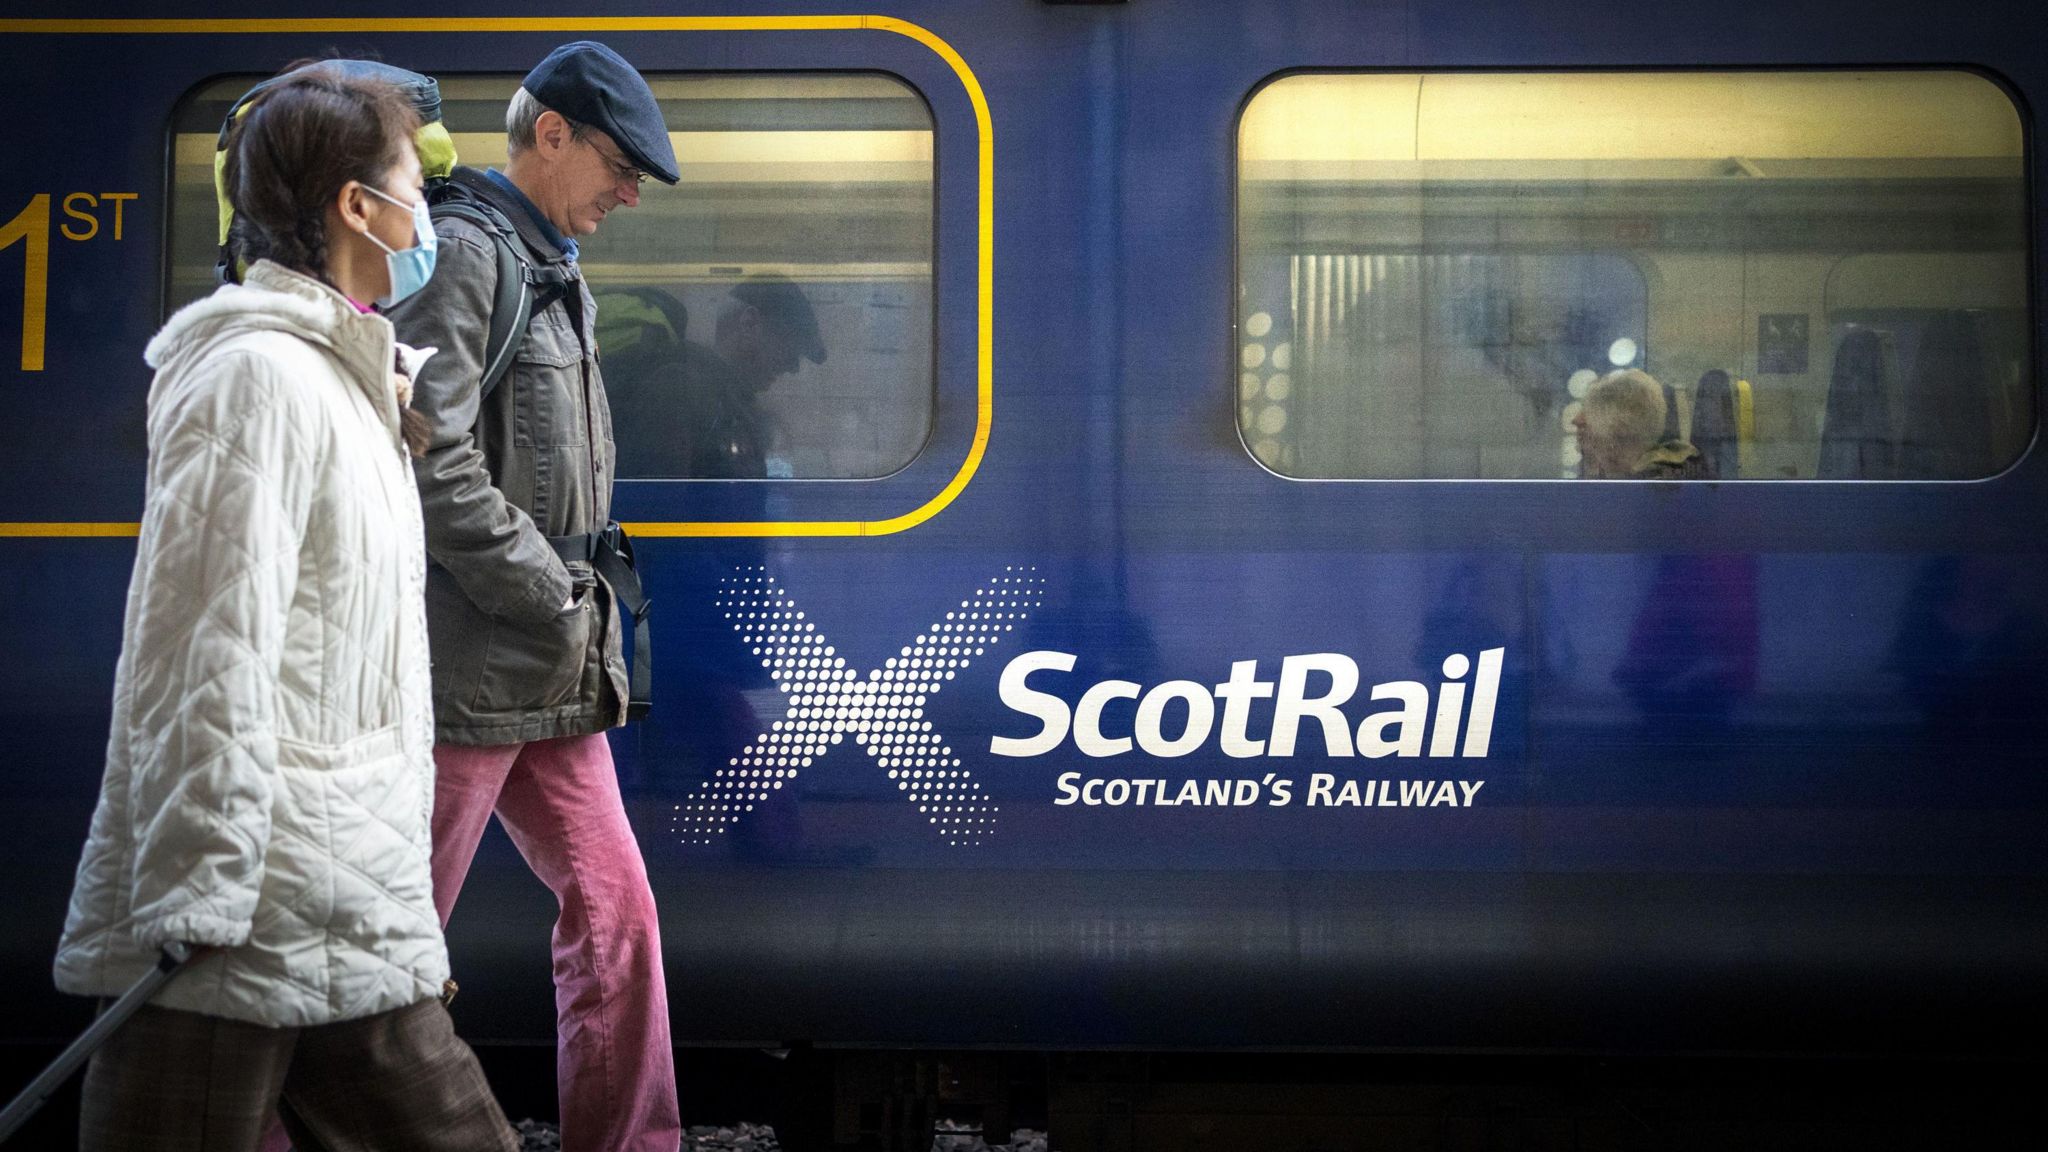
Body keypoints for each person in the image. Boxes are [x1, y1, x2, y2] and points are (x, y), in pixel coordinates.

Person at [52, 66, 515, 1152]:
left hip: (335, 887)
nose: (430, 218)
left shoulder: (345, 378)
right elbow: (199, 649)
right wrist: (194, 901)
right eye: (415, 184)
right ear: (357, 205)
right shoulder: (257, 377)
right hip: (248, 904)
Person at [384, 41, 684, 1152]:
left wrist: (566, 610)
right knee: (388, 944)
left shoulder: (548, 262)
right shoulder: (471, 253)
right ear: (549, 133)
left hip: (549, 668)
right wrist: (546, 590)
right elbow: (427, 457)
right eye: (618, 165)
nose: (628, 193)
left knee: (618, 919)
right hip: (471, 664)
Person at [606, 276, 826, 478]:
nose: (793, 367)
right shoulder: (679, 392)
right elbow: (657, 509)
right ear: (749, 323)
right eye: (788, 344)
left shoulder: (725, 400)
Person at [1572, 368, 1713, 480]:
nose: (1576, 420)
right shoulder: (1681, 482)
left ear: (1619, 429)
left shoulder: (1655, 494)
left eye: (1591, 413)